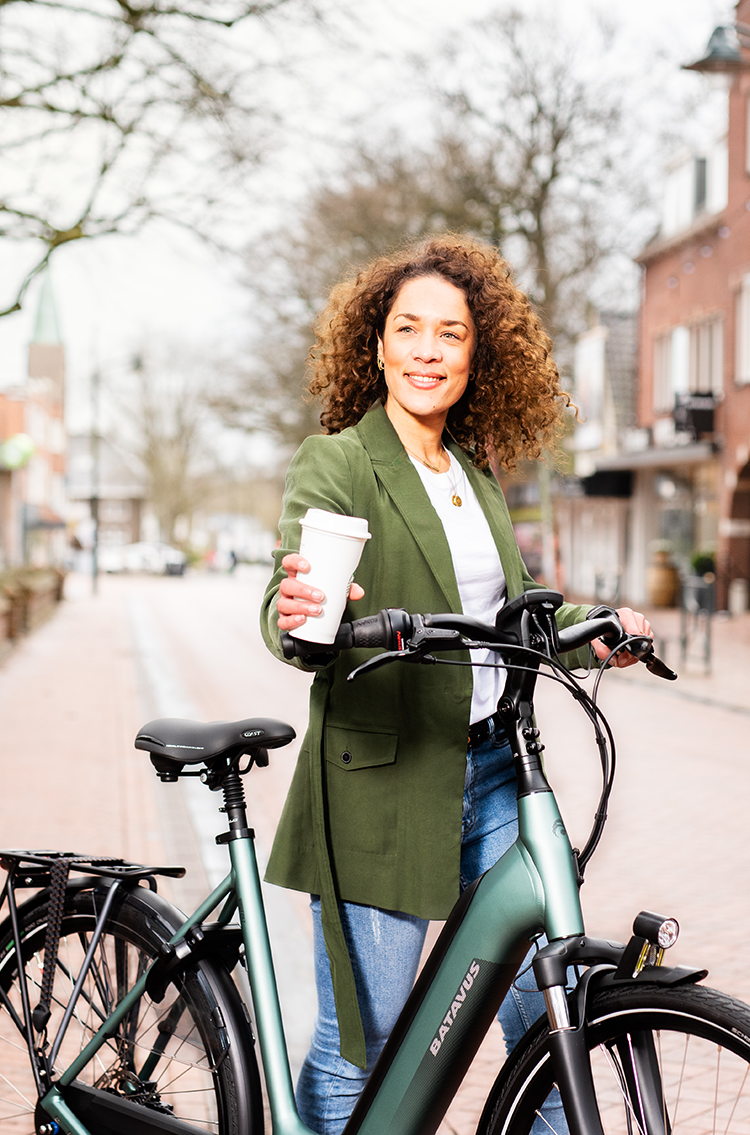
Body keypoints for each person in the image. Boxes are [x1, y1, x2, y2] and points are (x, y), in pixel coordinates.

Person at [258, 234, 653, 1135]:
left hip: (493, 776)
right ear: (378, 345)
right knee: (367, 1045)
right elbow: (291, 599)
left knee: (554, 1020)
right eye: (409, 330)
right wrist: (298, 609)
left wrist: (599, 632)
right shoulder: (341, 462)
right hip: (383, 784)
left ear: (480, 355)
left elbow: (507, 611)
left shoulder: (473, 474)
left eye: (451, 333)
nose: (428, 350)